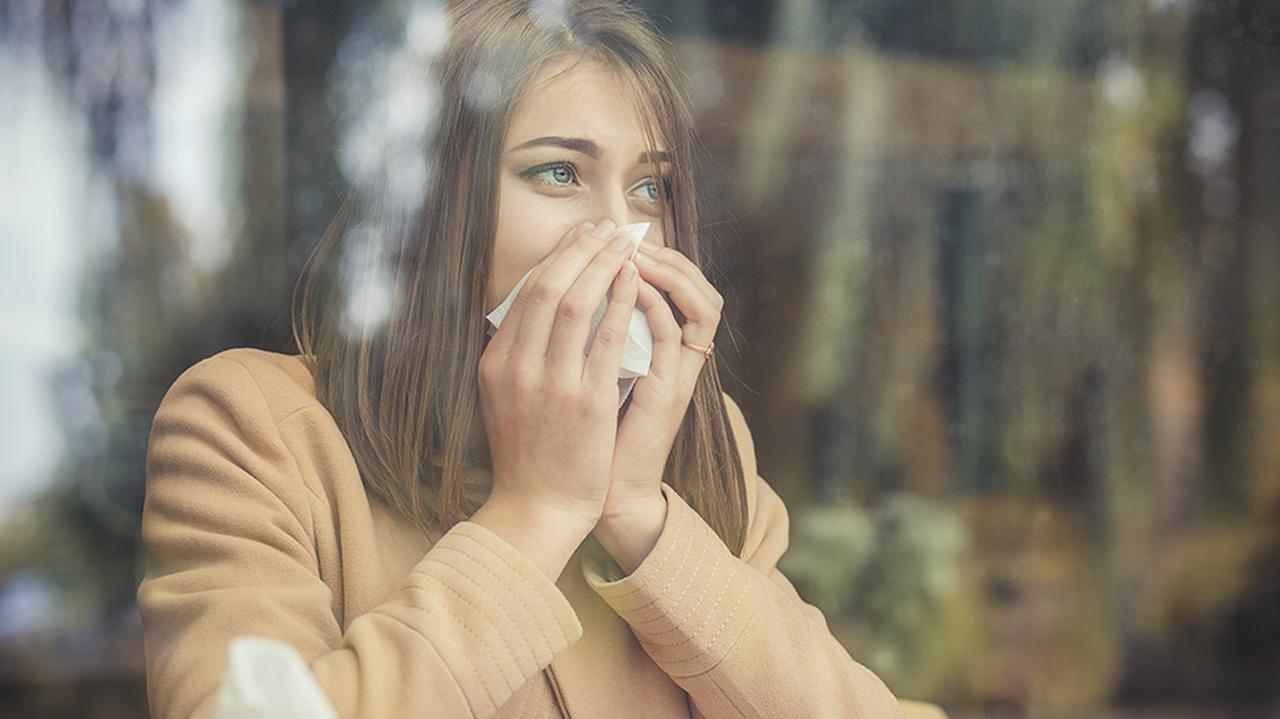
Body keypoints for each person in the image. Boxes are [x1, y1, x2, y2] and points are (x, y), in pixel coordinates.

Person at [136, 1, 922, 717]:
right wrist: (537, 511)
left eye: (650, 188)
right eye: (559, 173)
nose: (621, 237)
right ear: (436, 207)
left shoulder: (702, 449)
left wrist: (643, 518)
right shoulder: (251, 429)